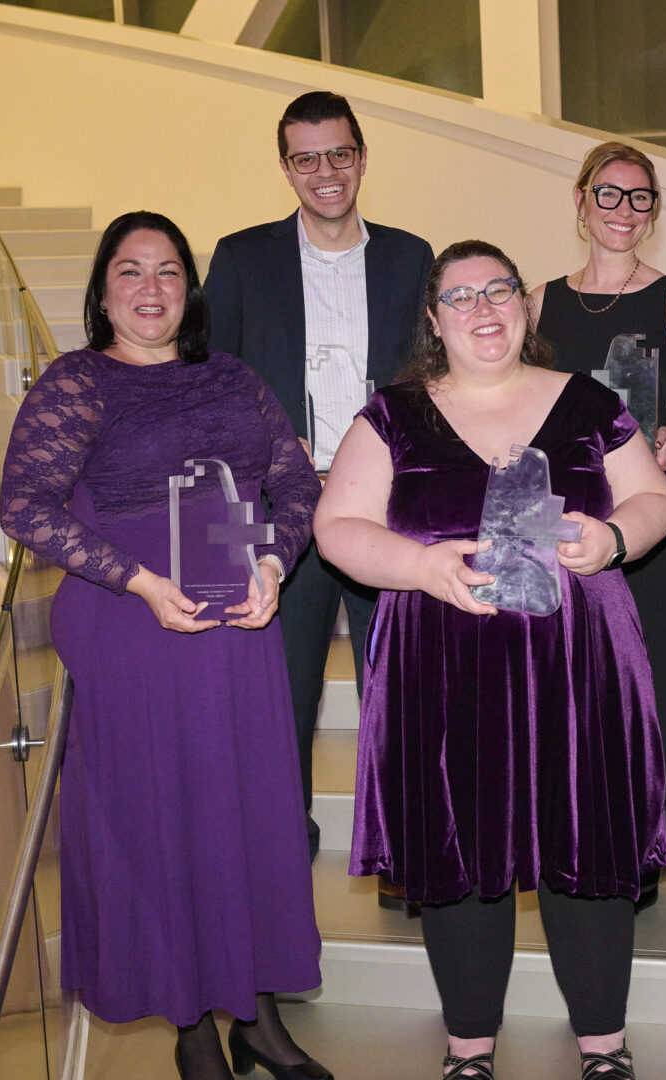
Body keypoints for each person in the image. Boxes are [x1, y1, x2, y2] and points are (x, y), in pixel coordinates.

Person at [314, 240, 666, 1080]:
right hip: (442, 663)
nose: (484, 307)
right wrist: (422, 567)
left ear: (525, 305)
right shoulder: (392, 415)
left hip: (579, 662)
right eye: (461, 295)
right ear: (435, 321)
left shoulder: (588, 402)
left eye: (500, 290)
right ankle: (469, 1046)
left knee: (586, 842)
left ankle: (603, 1043)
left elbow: (654, 496)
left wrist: (616, 537)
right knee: (459, 847)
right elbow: (338, 529)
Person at [0, 211, 328, 1080]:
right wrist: (139, 580)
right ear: (103, 291)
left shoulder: (233, 378)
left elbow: (295, 479)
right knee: (164, 822)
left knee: (248, 818)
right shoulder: (76, 383)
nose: (152, 289)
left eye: (170, 271)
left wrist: (273, 560)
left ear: (192, 288)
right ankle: (190, 1024)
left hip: (238, 624)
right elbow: (25, 507)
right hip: (136, 627)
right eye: (132, 272)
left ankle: (255, 1016)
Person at [203, 90, 434, 860]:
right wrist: (266, 449)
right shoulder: (241, 257)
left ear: (362, 157)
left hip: (386, 510)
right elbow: (214, 381)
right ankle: (280, 857)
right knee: (283, 700)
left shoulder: (410, 256)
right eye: (307, 158)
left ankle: (406, 849)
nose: (325, 171)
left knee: (395, 696)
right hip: (282, 512)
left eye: (339, 153)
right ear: (286, 167)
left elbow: (433, 379)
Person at [530, 140, 666, 856]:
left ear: (652, 211)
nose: (623, 210)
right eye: (609, 193)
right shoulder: (540, 299)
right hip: (555, 516)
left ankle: (650, 835)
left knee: (646, 673)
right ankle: (568, 826)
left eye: (639, 197)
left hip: (641, 514)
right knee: (561, 672)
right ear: (581, 200)